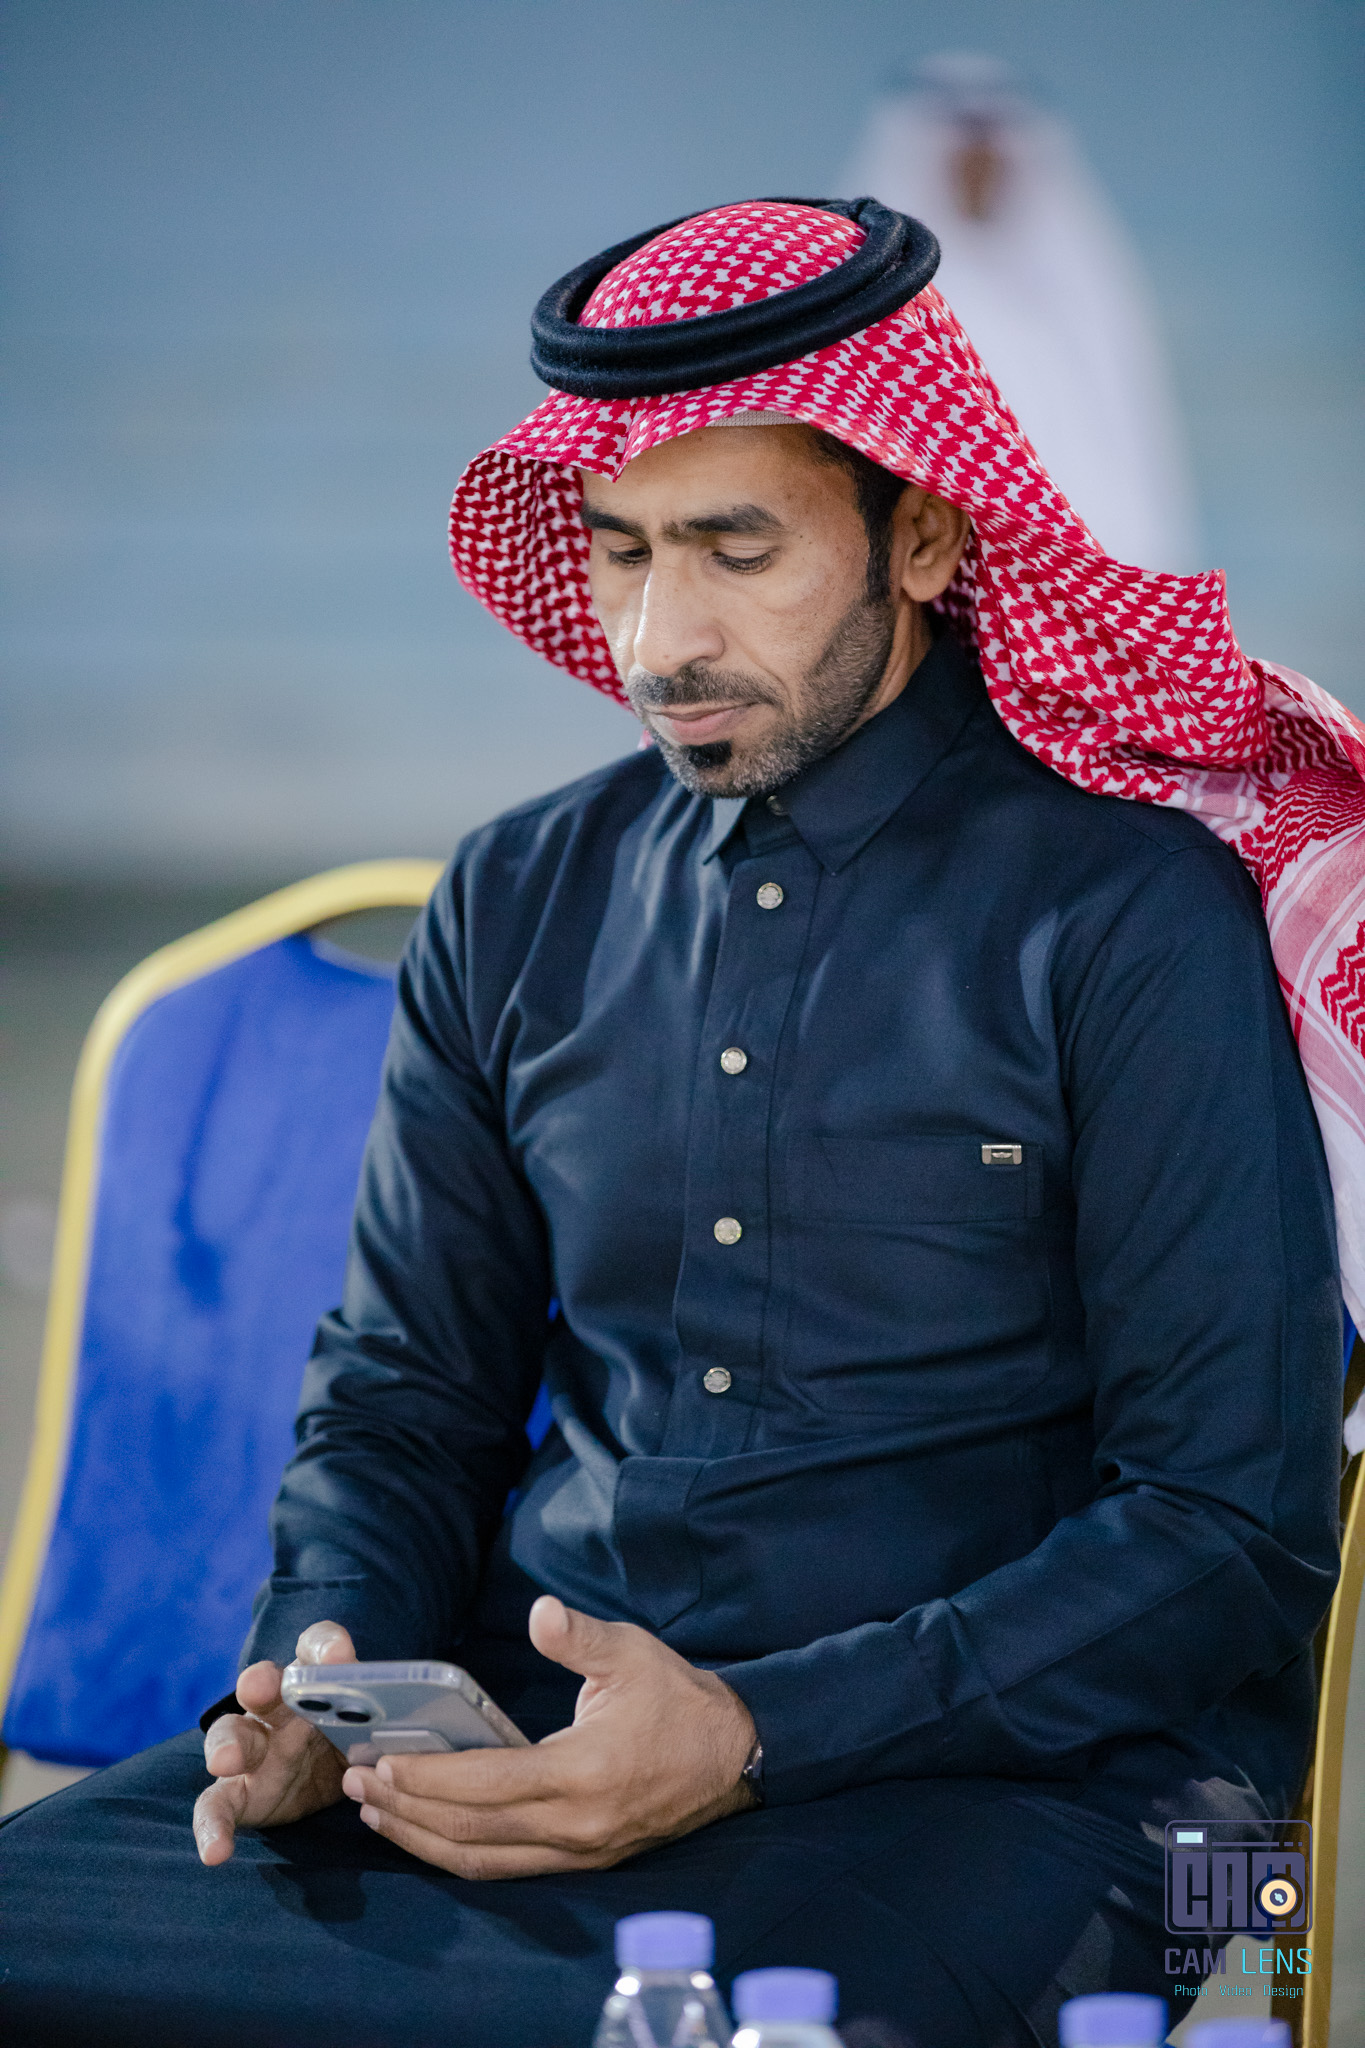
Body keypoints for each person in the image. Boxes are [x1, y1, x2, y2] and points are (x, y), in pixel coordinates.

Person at [0, 197, 1349, 2048]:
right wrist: (334, 1667)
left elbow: (1230, 1528)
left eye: (735, 548)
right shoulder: (514, 896)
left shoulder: (1130, 913)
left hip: (1065, 1785)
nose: (661, 638)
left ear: (926, 534)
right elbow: (404, 1392)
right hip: (522, 1744)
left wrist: (753, 1733)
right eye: (622, 551)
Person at [843, 52, 1199, 570]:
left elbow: (1135, 455)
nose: (980, 171)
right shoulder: (882, 296)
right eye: (962, 157)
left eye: (993, 155)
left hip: (1086, 569)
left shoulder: (1079, 297)